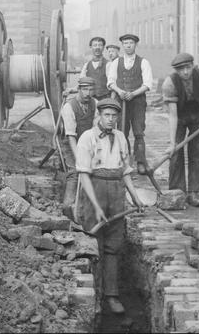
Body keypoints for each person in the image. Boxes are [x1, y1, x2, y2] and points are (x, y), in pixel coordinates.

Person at [76, 98, 143, 315]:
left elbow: (125, 172)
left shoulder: (122, 137)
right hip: (94, 189)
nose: (110, 119)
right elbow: (84, 176)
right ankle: (93, 293)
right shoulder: (87, 137)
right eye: (107, 115)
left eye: (114, 116)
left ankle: (111, 295)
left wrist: (135, 197)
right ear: (99, 115)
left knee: (114, 245)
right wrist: (95, 206)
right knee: (93, 244)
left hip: (116, 193)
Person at [162, 53, 199, 207]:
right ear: (176, 71)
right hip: (179, 114)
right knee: (176, 153)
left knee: (198, 152)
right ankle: (177, 193)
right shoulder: (169, 84)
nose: (185, 72)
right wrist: (172, 143)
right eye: (181, 69)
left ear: (192, 65)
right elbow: (172, 116)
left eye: (188, 68)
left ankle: (194, 192)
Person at [107, 34, 153, 174]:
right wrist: (120, 91)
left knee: (139, 132)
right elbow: (110, 82)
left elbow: (147, 84)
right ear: (122, 45)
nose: (128, 45)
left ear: (135, 45)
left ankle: (140, 162)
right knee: (122, 131)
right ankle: (124, 161)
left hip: (138, 102)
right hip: (121, 101)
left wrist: (133, 93)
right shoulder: (116, 62)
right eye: (125, 43)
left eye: (131, 43)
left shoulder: (143, 62)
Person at [61, 76, 97, 218]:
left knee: (94, 170)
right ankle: (67, 208)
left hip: (88, 143)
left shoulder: (96, 104)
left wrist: (93, 154)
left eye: (91, 90)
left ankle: (89, 208)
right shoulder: (69, 107)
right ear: (79, 90)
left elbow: (95, 131)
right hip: (71, 144)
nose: (88, 93)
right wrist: (80, 159)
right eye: (85, 89)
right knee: (75, 172)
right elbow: (71, 136)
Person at [80, 36, 109, 101]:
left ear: (103, 47)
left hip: (104, 99)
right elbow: (81, 83)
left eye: (100, 45)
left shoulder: (108, 64)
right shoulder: (87, 65)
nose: (97, 47)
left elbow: (112, 84)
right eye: (95, 45)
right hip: (90, 100)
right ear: (91, 47)